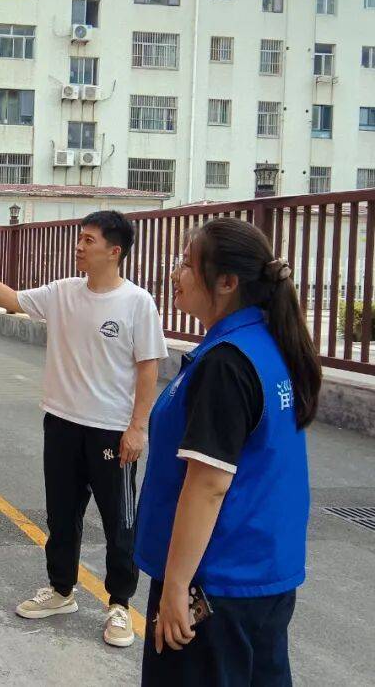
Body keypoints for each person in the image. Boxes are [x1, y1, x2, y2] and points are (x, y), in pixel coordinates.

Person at [0, 210, 168, 648]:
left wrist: (138, 428)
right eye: (80, 238)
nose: (79, 246)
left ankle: (120, 604)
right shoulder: (62, 293)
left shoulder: (137, 302)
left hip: (110, 431)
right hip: (62, 423)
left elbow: (148, 368)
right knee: (62, 516)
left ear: (114, 251)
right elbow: (11, 299)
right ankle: (62, 590)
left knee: (119, 521)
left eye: (88, 240)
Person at [135, 217, 320, 685]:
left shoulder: (227, 363)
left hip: (214, 582)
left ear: (227, 282)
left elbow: (209, 486)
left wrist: (176, 587)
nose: (175, 274)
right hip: (260, 576)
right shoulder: (266, 345)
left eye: (186, 264)